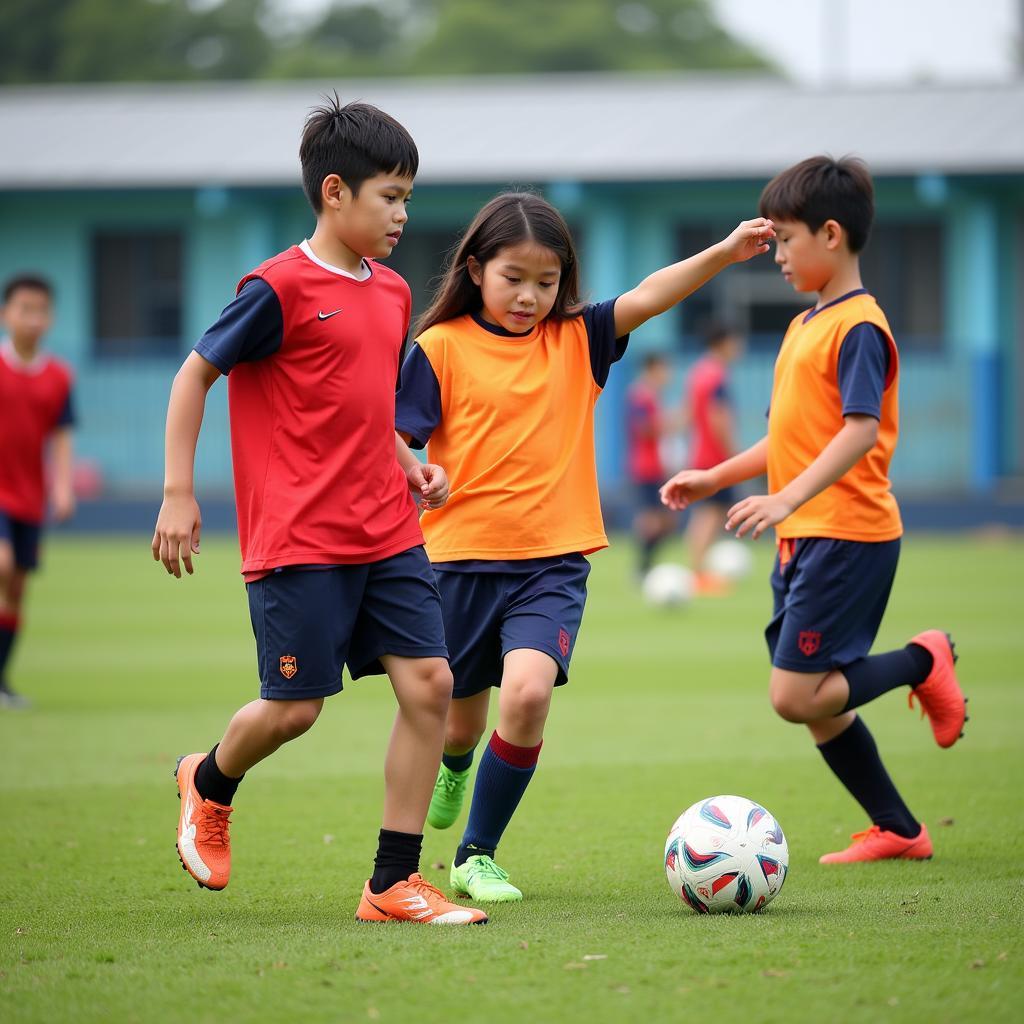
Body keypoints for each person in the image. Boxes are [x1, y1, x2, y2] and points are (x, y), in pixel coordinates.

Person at [151, 97, 487, 925]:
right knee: (296, 709)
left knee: (430, 685)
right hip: (299, 538)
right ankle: (211, 778)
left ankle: (391, 883)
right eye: (390, 196)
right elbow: (194, 375)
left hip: (386, 529)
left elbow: (368, 408)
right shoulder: (275, 288)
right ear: (335, 192)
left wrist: (411, 466)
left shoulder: (396, 292)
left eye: (409, 196)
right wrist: (178, 491)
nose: (404, 214)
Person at [395, 191, 773, 901]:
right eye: (515, 278)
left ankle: (476, 855)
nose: (531, 296)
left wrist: (723, 253)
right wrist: (420, 473)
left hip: (552, 562)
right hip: (454, 561)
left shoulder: (579, 338)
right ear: (475, 269)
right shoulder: (439, 348)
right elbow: (397, 440)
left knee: (529, 695)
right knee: (462, 718)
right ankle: (454, 764)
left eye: (548, 282)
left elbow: (651, 295)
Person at [661, 156, 966, 864]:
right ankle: (898, 828)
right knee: (822, 702)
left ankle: (926, 659)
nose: (780, 259)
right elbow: (788, 439)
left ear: (832, 235)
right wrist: (715, 477)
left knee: (797, 697)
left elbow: (859, 429)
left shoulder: (858, 326)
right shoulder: (806, 327)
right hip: (806, 536)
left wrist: (788, 496)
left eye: (788, 242)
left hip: (847, 533)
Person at [0, 275, 75, 709]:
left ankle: (2, 681)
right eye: (23, 309)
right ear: (6, 314)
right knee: (3, 564)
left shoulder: (57, 377)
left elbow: (61, 436)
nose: (32, 319)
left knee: (15, 590)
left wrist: (62, 487)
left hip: (28, 497)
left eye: (40, 310)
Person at [682, 322, 742, 595]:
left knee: (708, 513)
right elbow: (719, 419)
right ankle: (696, 573)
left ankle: (698, 570)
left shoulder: (698, 372)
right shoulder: (717, 375)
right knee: (710, 513)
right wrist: (735, 454)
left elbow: (689, 413)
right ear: (724, 342)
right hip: (715, 457)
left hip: (700, 453)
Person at [627, 352, 676, 578]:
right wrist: (670, 423)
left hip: (657, 467)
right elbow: (644, 429)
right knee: (652, 520)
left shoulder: (653, 397)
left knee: (666, 521)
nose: (668, 374)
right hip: (644, 467)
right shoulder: (640, 395)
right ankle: (642, 568)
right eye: (664, 369)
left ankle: (646, 567)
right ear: (652, 369)